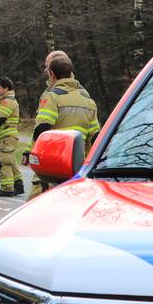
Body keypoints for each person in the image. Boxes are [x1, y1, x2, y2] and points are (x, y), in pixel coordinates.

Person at [22, 53, 99, 200]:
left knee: (33, 209)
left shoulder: (52, 96)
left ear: (52, 73)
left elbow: (42, 130)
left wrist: (29, 152)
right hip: (76, 168)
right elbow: (95, 137)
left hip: (52, 164)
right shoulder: (87, 99)